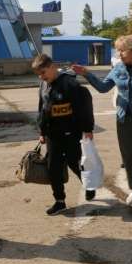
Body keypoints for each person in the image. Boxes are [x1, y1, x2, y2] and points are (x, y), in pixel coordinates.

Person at [72, 35, 132, 212]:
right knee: (128, 156)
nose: (119, 54)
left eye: (122, 50)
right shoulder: (118, 68)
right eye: (118, 50)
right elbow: (103, 88)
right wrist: (86, 73)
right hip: (124, 118)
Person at [33, 54, 95, 215]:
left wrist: (87, 129)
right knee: (53, 168)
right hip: (53, 135)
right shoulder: (44, 85)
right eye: (39, 74)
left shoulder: (70, 84)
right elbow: (42, 108)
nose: (42, 77)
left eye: (43, 72)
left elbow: (84, 107)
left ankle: (89, 185)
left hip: (71, 133)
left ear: (52, 67)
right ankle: (59, 201)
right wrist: (42, 131)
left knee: (74, 163)